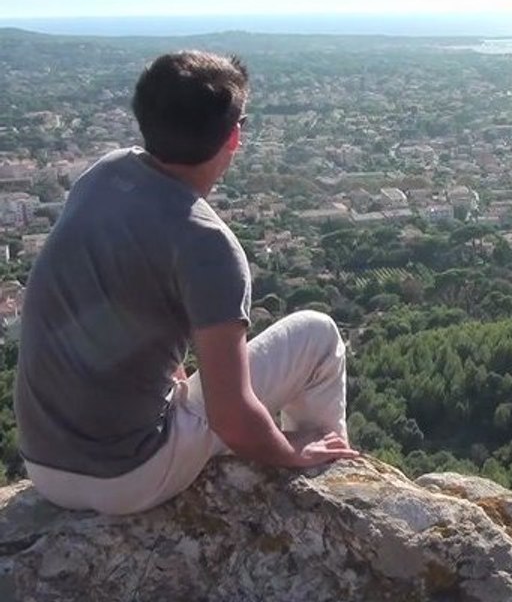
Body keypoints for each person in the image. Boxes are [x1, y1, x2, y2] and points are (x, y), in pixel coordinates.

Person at [14, 50, 358, 515]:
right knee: (318, 334)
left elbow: (118, 301)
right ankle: (323, 468)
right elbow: (231, 418)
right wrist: (288, 450)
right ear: (233, 136)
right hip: (130, 477)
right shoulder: (208, 244)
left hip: (43, 463)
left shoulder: (103, 176)